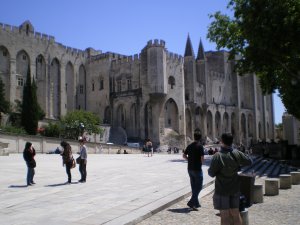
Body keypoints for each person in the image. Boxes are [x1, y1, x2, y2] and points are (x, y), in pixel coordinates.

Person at [208, 133, 252, 225]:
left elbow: (211, 173)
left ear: (222, 142)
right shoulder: (237, 153)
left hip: (222, 189)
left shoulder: (218, 156)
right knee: (236, 214)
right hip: (234, 189)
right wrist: (238, 165)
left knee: (224, 215)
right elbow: (249, 161)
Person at [182, 130, 205, 210]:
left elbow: (184, 155)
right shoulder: (200, 146)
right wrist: (201, 163)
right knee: (199, 186)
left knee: (193, 186)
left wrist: (189, 160)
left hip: (190, 169)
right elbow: (202, 158)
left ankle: (196, 203)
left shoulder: (190, 145)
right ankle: (191, 202)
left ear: (194, 137)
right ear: (200, 138)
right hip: (197, 169)